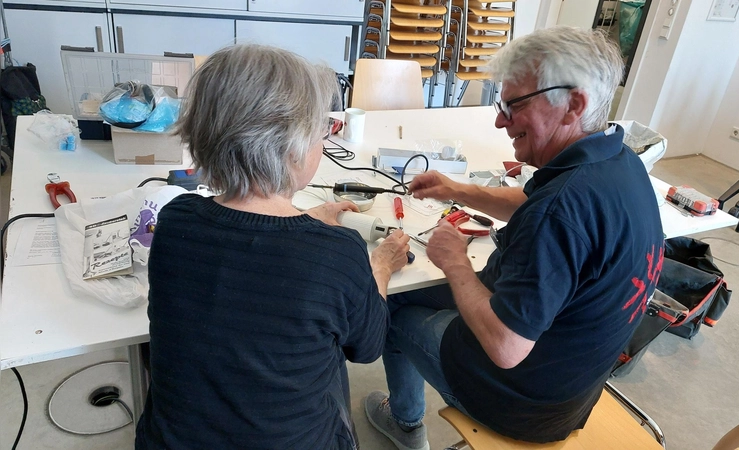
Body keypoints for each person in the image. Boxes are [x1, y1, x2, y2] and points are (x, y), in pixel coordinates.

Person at [364, 26, 665, 449]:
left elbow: (505, 347)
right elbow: (531, 201)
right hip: (573, 383)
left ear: (573, 105)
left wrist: (455, 262)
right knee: (416, 290)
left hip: (523, 405)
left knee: (393, 308)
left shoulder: (559, 211)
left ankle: (405, 424)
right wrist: (457, 190)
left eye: (514, 105)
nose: (499, 120)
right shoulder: (617, 159)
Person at [135, 44, 410, 450]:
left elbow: (247, 246)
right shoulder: (338, 254)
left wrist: (305, 221)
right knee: (329, 357)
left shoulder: (176, 219)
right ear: (293, 146)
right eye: (321, 133)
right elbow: (367, 347)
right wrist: (381, 266)